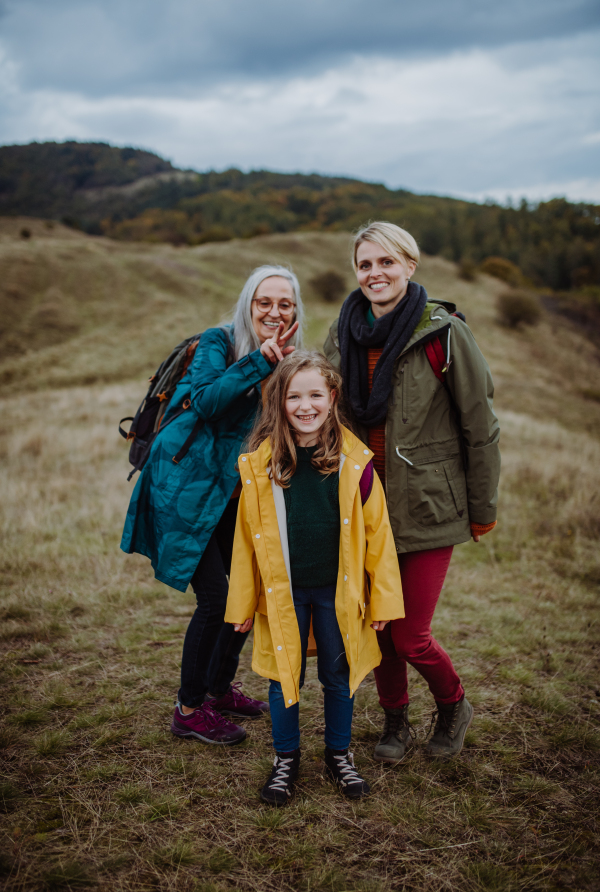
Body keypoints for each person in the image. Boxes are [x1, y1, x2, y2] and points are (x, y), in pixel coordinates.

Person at [324, 221, 500, 762]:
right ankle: (395, 722)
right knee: (377, 631)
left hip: (428, 506)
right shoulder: (341, 334)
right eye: (365, 265)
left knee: (410, 635)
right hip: (363, 507)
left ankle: (453, 705)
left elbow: (480, 425)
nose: (375, 274)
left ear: (409, 265)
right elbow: (319, 410)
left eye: (386, 263)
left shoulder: (444, 333)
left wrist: (482, 507)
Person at [121, 265, 304, 746]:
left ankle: (219, 690)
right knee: (216, 598)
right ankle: (188, 708)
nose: (274, 311)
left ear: (295, 311)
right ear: (248, 303)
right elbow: (203, 401)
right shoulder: (218, 343)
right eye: (264, 301)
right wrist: (259, 362)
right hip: (184, 483)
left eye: (285, 303)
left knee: (245, 588)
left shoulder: (287, 358)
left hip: (232, 489)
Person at [226, 351, 404, 805]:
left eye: (315, 395)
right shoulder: (261, 466)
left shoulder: (356, 464)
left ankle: (338, 754)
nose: (305, 406)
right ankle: (285, 758)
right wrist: (242, 605)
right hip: (282, 594)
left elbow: (379, 536)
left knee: (337, 673)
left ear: (332, 397)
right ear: (278, 402)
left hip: (337, 592)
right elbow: (245, 542)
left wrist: (382, 602)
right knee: (283, 675)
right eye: (293, 396)